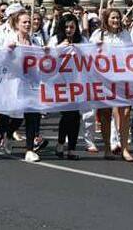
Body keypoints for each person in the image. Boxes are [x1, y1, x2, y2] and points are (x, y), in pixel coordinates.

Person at [91, 7, 133, 161]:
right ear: (106, 20)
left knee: (125, 112)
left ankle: (124, 148)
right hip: (104, 79)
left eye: (117, 18)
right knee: (105, 113)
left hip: (122, 78)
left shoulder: (125, 34)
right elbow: (88, 55)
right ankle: (107, 147)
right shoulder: (98, 35)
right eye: (112, 18)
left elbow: (131, 53)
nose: (116, 20)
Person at [5, 11, 46, 162]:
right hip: (16, 84)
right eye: (24, 22)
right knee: (17, 117)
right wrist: (9, 50)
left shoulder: (35, 41)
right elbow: (2, 60)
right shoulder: (11, 40)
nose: (28, 24)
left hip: (32, 83)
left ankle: (29, 150)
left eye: (29, 22)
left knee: (32, 116)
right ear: (17, 24)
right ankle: (8, 134)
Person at [49, 14, 86, 160]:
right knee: (67, 115)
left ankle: (71, 148)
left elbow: (91, 55)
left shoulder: (82, 41)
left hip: (77, 83)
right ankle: (60, 143)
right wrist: (59, 48)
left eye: (72, 27)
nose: (69, 30)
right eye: (66, 27)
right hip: (61, 83)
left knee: (75, 116)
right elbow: (46, 57)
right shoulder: (55, 40)